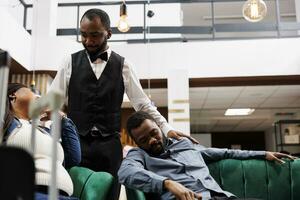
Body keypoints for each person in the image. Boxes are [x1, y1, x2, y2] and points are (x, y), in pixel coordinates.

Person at [49, 8, 197, 199]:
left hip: (110, 146)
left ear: (108, 33)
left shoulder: (124, 65)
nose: (88, 41)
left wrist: (166, 128)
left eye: (94, 35)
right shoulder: (69, 62)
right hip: (76, 144)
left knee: (109, 194)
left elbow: (143, 104)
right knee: (76, 193)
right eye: (83, 35)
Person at [118, 111, 297, 200]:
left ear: (160, 127)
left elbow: (226, 152)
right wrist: (167, 183)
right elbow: (125, 173)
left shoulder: (186, 145)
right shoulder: (139, 155)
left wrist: (263, 154)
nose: (151, 141)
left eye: (153, 133)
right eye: (143, 140)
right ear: (137, 143)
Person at [3, 83, 81, 200]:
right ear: (13, 95)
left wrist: (62, 119)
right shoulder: (6, 124)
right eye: (31, 92)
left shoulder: (44, 132)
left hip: (65, 196)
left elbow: (74, 158)